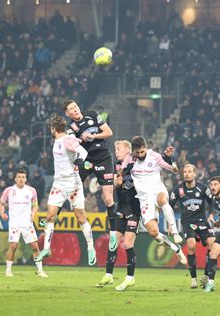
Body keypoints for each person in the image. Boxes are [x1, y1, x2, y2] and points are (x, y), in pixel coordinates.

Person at [35, 116, 96, 265]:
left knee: (81, 217)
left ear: (53, 129)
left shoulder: (67, 140)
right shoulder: (61, 140)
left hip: (73, 184)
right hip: (58, 185)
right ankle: (47, 249)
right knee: (50, 215)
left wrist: (80, 160)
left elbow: (83, 152)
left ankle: (90, 247)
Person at [123, 136, 187, 265]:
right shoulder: (129, 158)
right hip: (144, 198)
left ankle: (175, 232)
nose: (141, 155)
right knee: (154, 233)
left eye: (143, 151)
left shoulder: (154, 156)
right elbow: (121, 173)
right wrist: (127, 169)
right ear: (133, 151)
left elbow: (174, 170)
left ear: (146, 148)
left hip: (157, 189)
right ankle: (176, 249)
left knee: (163, 200)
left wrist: (169, 160)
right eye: (138, 152)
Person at [63, 100, 118, 251]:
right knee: (70, 189)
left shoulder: (93, 115)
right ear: (67, 113)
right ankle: (53, 219)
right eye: (71, 109)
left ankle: (113, 233)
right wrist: (81, 139)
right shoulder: (70, 127)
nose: (75, 110)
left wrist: (93, 136)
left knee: (108, 198)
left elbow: (109, 132)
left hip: (103, 157)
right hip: (86, 159)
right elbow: (71, 143)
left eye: (75, 106)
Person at [96, 140, 141, 291]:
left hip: (134, 209)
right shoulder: (116, 166)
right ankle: (108, 275)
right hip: (121, 208)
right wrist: (116, 182)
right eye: (115, 149)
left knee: (128, 244)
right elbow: (112, 187)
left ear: (128, 151)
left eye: (119, 149)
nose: (116, 152)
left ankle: (130, 278)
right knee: (113, 242)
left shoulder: (135, 165)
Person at [170, 164, 215, 289]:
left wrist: (211, 215)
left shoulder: (203, 188)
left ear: (195, 174)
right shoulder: (178, 190)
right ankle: (193, 279)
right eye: (185, 171)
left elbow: (212, 203)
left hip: (202, 221)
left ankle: (206, 275)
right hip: (187, 221)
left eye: (189, 172)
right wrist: (170, 224)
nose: (186, 174)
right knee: (191, 246)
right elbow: (169, 207)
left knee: (213, 244)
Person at [0, 169, 48, 278]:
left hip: (27, 223)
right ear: (15, 179)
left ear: (26, 179)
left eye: (23, 177)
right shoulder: (9, 191)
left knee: (35, 246)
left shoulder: (31, 191)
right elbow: (1, 204)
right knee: (13, 246)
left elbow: (35, 205)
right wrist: (2, 214)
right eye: (19, 177)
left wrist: (33, 213)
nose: (21, 179)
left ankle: (40, 270)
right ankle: (8, 270)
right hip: (14, 223)